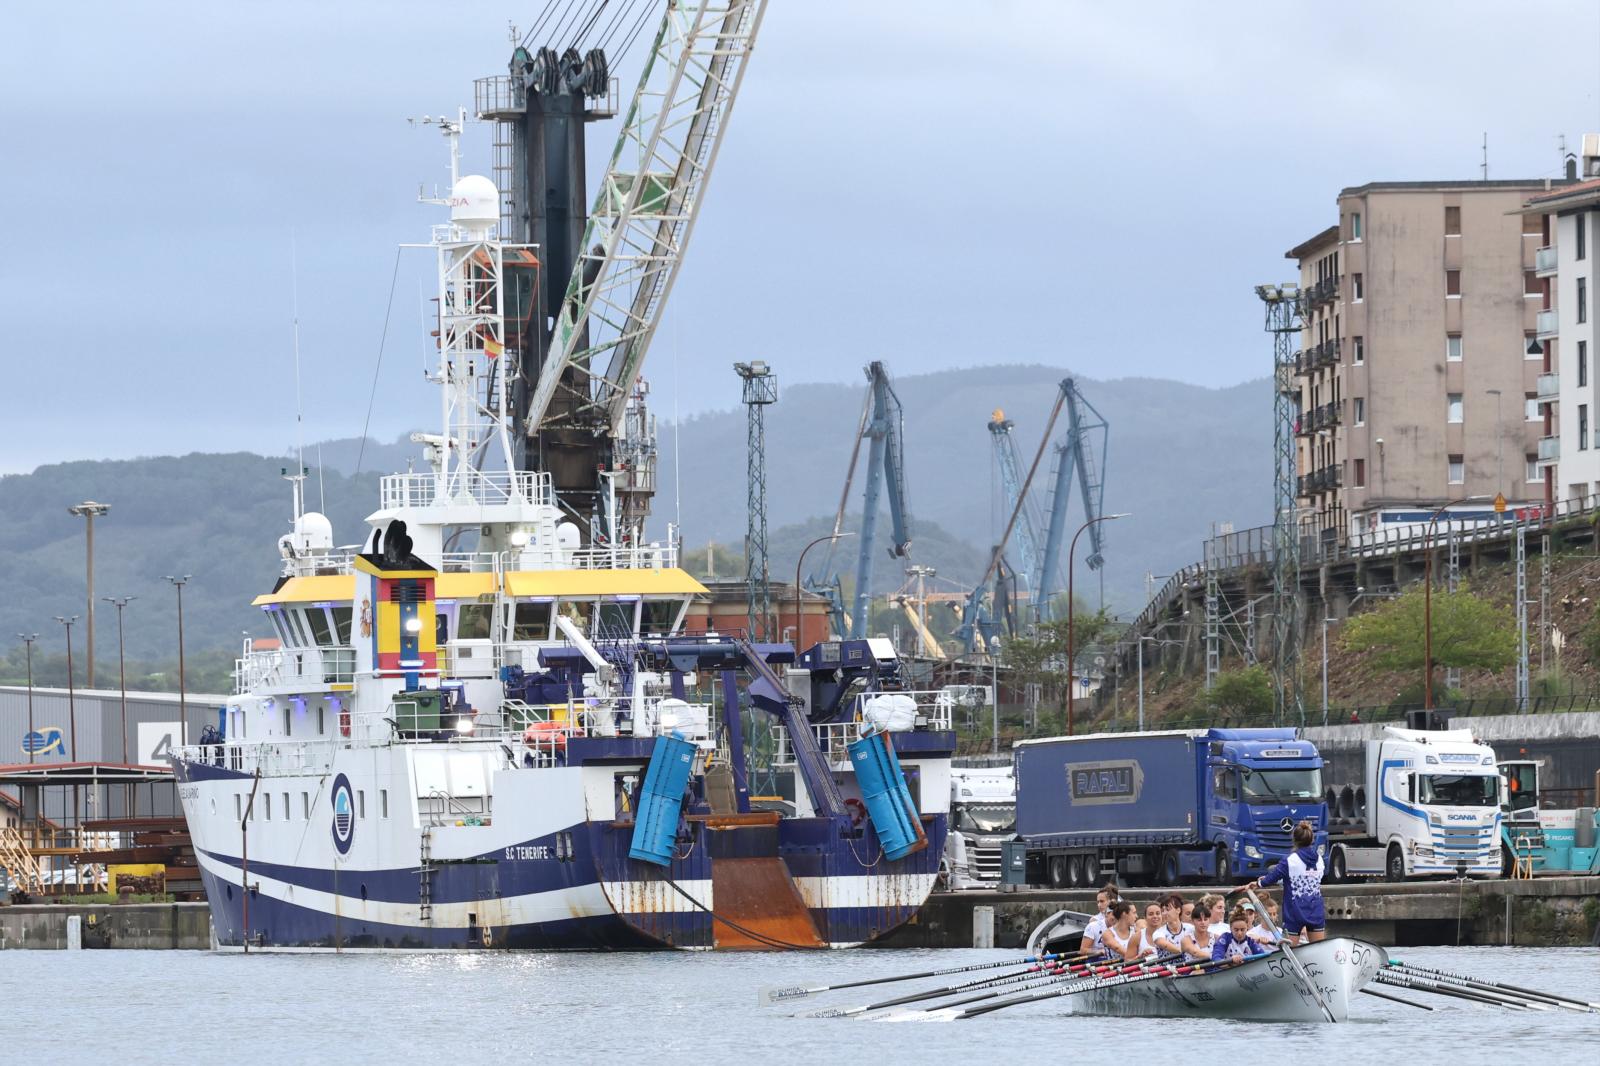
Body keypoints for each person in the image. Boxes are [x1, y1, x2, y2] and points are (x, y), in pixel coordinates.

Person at [1242, 820, 1327, 944]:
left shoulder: (1290, 860)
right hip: (1315, 910)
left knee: (1289, 953)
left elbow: (1272, 877)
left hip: (1295, 912)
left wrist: (1258, 883)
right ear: (1311, 840)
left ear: (1294, 840)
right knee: (1319, 948)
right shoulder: (1320, 860)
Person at [1079, 883, 1120, 956]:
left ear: (1112, 902)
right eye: (1098, 902)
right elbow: (1083, 950)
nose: (1099, 905)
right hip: (1099, 959)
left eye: (1102, 901)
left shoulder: (1122, 918)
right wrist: (1098, 951)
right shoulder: (1094, 921)